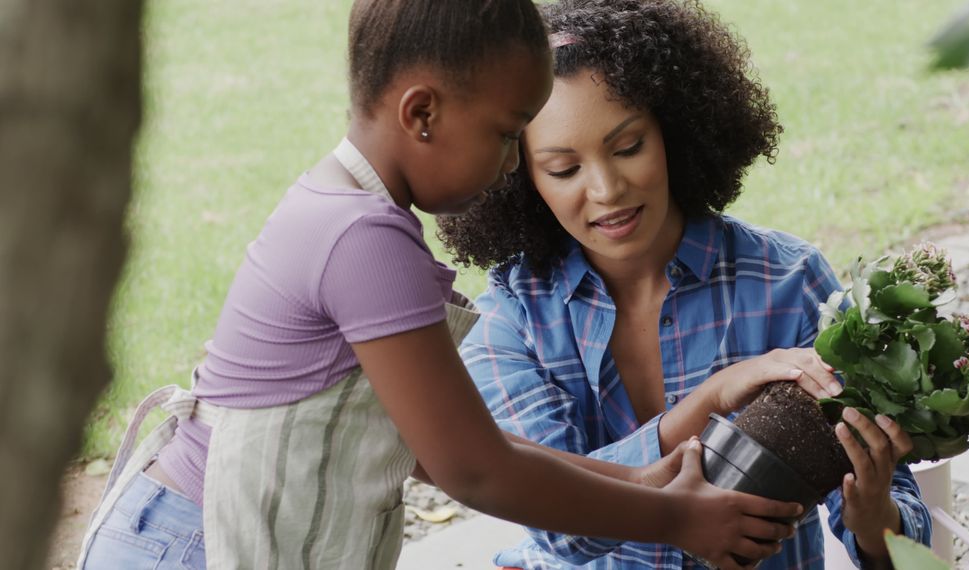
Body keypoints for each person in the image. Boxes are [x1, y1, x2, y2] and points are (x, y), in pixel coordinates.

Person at [76, 1, 808, 569]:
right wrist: (675, 519)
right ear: (421, 113)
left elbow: (449, 444)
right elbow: (475, 471)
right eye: (504, 135)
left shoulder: (350, 214)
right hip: (193, 544)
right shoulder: (363, 241)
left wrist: (646, 481)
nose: (509, 165)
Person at [437, 0, 934, 568]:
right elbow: (561, 530)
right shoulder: (510, 318)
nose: (606, 189)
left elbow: (900, 529)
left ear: (673, 130)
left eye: (628, 148)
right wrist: (711, 399)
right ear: (520, 177)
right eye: (564, 169)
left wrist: (876, 524)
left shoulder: (788, 282)